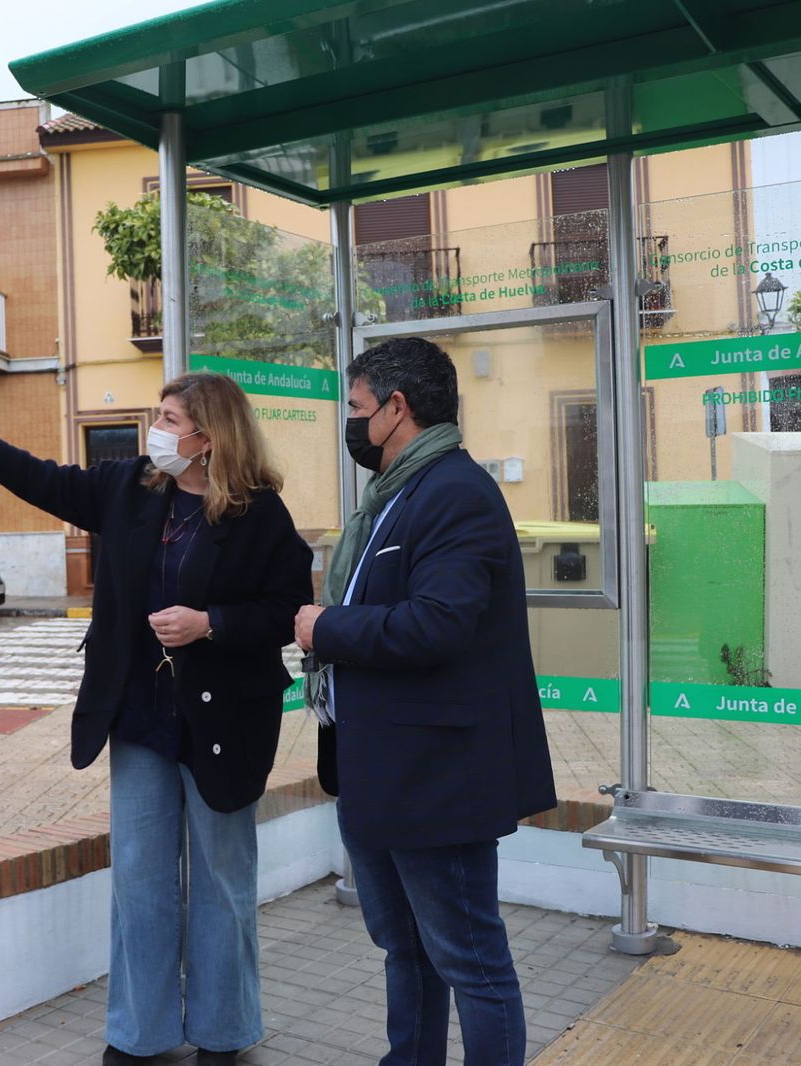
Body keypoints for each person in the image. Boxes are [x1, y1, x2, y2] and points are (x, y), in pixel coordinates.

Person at [0, 373, 312, 1066]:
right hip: (141, 714)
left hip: (224, 720)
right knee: (140, 880)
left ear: (207, 438)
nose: (155, 428)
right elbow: (49, 481)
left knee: (220, 880)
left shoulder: (259, 515)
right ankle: (140, 1033)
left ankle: (224, 1032)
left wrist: (210, 623)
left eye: (168, 417)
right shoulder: (133, 486)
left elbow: (289, 611)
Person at [294, 336, 556, 1066]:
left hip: (438, 779)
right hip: (379, 771)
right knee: (404, 949)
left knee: (471, 960)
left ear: (395, 408)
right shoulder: (396, 494)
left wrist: (325, 626)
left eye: (355, 407)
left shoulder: (454, 493)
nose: (350, 423)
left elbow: (438, 624)